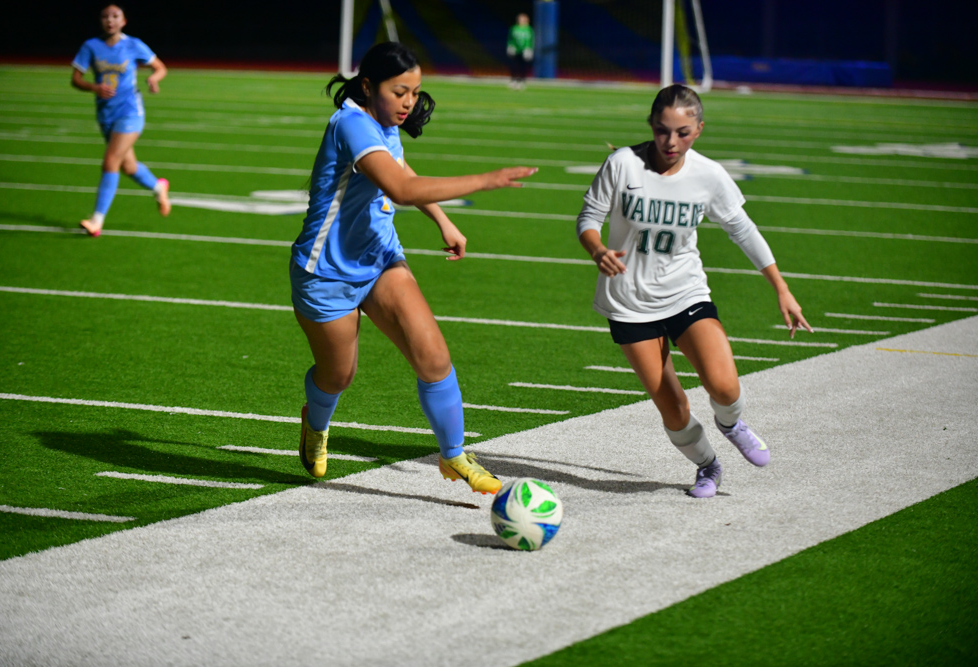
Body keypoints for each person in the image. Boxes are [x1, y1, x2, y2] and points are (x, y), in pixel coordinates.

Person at [292, 42, 537, 495]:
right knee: (338, 375)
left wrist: (443, 220)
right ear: (369, 87)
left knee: (434, 356)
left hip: (381, 258)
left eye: (415, 91)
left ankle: (454, 455)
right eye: (400, 91)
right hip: (326, 272)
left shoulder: (385, 122)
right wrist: (486, 180)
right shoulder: (351, 124)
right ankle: (316, 420)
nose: (409, 102)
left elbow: (401, 165)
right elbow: (402, 189)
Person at [576, 84, 813, 499]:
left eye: (683, 132)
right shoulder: (622, 164)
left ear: (699, 129)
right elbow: (588, 218)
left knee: (724, 386)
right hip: (629, 304)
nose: (671, 141)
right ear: (651, 125)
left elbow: (743, 230)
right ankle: (708, 465)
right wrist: (597, 250)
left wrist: (781, 288)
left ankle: (731, 424)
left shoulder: (708, 175)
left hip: (685, 293)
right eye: (662, 130)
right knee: (674, 409)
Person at [71, 4, 171, 237]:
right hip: (106, 113)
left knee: (111, 161)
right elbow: (76, 79)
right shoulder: (91, 46)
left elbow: (160, 67)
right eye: (105, 16)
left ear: (123, 21)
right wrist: (94, 87)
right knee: (129, 167)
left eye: (115, 16)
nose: (110, 20)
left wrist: (154, 79)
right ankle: (159, 187)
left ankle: (96, 221)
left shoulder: (133, 44)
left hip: (130, 112)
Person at [506, 13, 534, 90]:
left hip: (524, 50)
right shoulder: (514, 28)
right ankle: (513, 80)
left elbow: (531, 40)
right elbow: (510, 38)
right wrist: (510, 46)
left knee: (523, 66)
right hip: (516, 50)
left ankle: (522, 81)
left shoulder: (529, 29)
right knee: (514, 65)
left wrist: (529, 49)